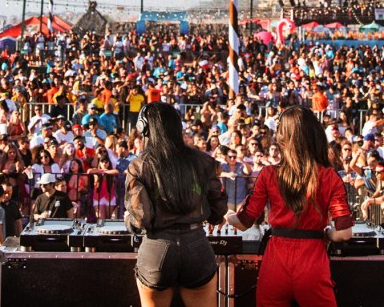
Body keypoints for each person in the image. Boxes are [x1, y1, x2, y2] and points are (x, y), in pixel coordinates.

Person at [227, 106, 354, 307]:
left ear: (283, 138)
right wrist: (328, 232)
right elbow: (344, 233)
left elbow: (243, 222)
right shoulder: (330, 177)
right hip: (313, 262)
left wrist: (225, 214)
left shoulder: (269, 174)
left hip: (275, 262)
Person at [124, 102, 227, 307]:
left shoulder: (138, 166)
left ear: (144, 128)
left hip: (156, 249)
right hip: (196, 245)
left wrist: (130, 222)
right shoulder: (204, 162)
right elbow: (218, 209)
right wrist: (215, 218)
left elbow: (140, 218)